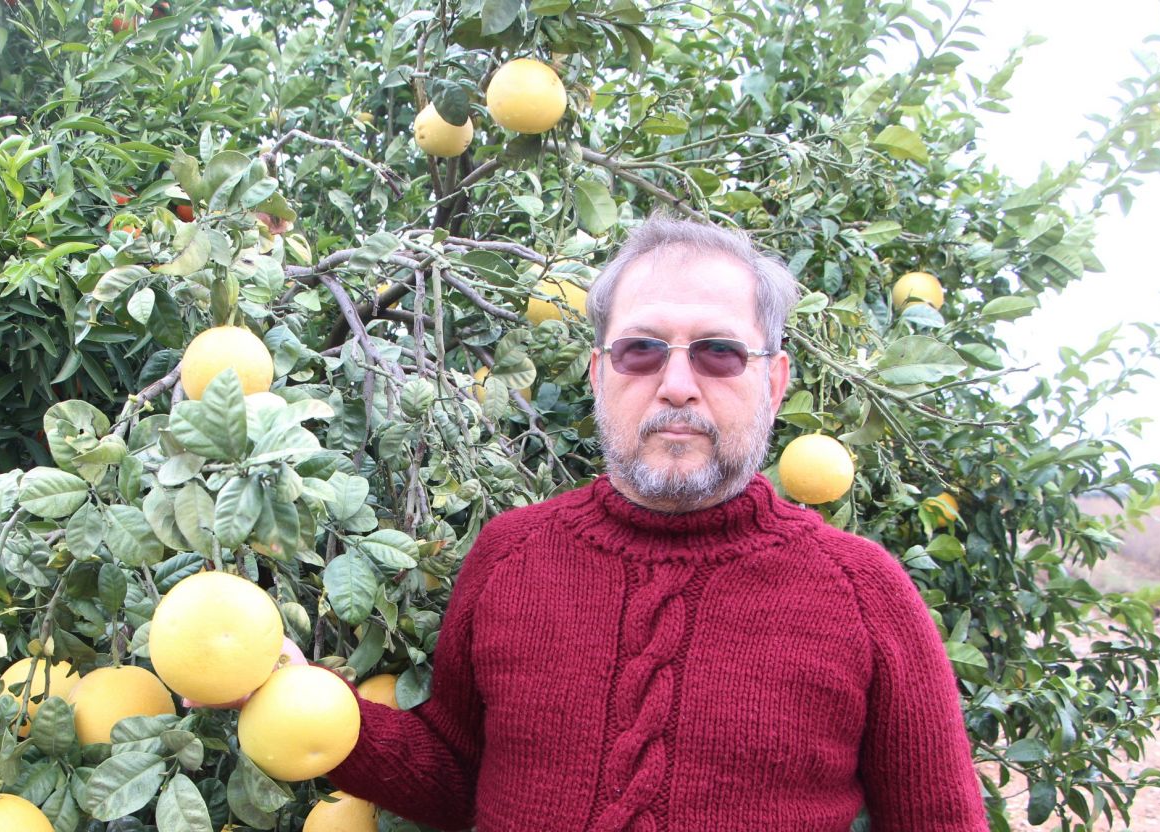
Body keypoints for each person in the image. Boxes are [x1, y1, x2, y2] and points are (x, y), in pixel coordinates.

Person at [322, 217, 988, 831]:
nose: (676, 383)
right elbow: (458, 778)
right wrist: (302, 704)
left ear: (775, 381)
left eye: (719, 352)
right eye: (641, 349)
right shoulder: (510, 555)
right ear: (598, 374)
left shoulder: (863, 593)